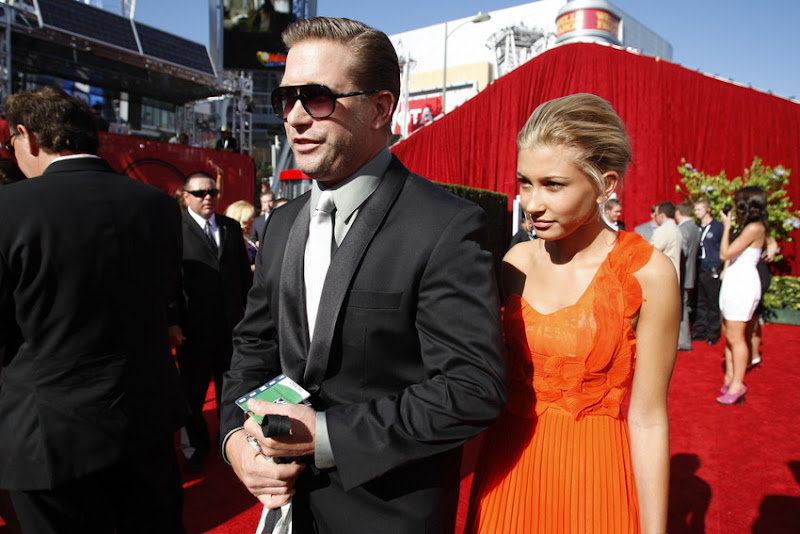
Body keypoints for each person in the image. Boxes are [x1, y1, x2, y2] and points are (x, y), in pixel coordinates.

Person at [220, 17, 506, 534]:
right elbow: (254, 346)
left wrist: (327, 436)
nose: (296, 117)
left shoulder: (445, 226)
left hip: (387, 512)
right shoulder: (282, 224)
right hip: (287, 511)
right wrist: (235, 442)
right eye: (286, 99)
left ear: (380, 108)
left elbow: (472, 387)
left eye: (318, 98)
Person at [466, 93, 679, 534]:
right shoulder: (515, 263)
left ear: (606, 184)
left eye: (553, 184)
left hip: (595, 482)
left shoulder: (647, 273)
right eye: (525, 182)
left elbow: (648, 417)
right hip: (507, 474)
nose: (532, 203)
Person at [0, 86, 187, 533]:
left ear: (28, 136)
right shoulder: (158, 205)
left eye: (9, 144)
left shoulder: (8, 209)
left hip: (48, 439)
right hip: (147, 424)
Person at [172, 171, 253, 472]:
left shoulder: (230, 227)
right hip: (192, 328)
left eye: (213, 192)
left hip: (231, 326)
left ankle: (229, 441)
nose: (208, 197)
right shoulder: (175, 230)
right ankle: (195, 448)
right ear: (186, 196)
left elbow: (243, 277)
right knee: (192, 393)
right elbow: (170, 281)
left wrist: (252, 315)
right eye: (200, 193)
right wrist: (172, 321)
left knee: (230, 389)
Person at [717, 186, 768, 405]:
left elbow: (725, 253)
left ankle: (738, 385)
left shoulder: (754, 228)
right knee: (728, 335)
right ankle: (730, 378)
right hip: (735, 282)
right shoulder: (749, 226)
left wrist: (727, 227)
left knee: (736, 337)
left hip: (742, 284)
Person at [693, 199, 724, 345]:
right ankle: (699, 330)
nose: (696, 212)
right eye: (695, 210)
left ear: (708, 210)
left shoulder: (718, 227)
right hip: (700, 268)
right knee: (700, 301)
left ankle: (713, 332)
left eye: (699, 209)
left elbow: (725, 247)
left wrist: (724, 268)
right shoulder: (697, 227)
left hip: (713, 269)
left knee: (713, 302)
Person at [675, 201, 701, 351]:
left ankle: (683, 341)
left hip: (683, 275)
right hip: (691, 274)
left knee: (681, 308)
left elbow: (682, 252)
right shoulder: (696, 228)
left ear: (678, 213)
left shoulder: (682, 229)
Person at [651, 201, 682, 279]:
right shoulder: (676, 228)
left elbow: (652, 250)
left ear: (662, 215)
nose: (655, 217)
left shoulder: (664, 229)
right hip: (674, 273)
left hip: (663, 275)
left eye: (656, 214)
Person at [225, 199, 259, 268]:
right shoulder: (231, 239)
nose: (253, 220)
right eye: (251, 217)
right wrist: (257, 267)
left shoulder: (246, 237)